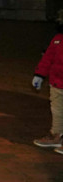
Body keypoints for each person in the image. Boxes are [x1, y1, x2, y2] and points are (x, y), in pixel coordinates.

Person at [32, 11, 63, 150]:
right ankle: (56, 135)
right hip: (57, 84)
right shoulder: (57, 39)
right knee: (57, 111)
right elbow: (47, 59)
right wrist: (39, 75)